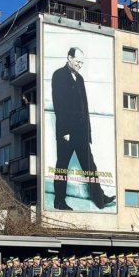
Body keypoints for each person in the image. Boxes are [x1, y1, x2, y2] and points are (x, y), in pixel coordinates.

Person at [50, 47, 115, 211]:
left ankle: (100, 199)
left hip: (81, 133)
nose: (80, 65)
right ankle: (59, 202)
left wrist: (88, 133)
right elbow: (59, 104)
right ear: (69, 58)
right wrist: (64, 131)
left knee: (90, 167)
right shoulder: (59, 75)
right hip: (67, 133)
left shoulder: (79, 78)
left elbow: (83, 107)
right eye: (78, 62)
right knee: (62, 167)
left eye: (82, 63)